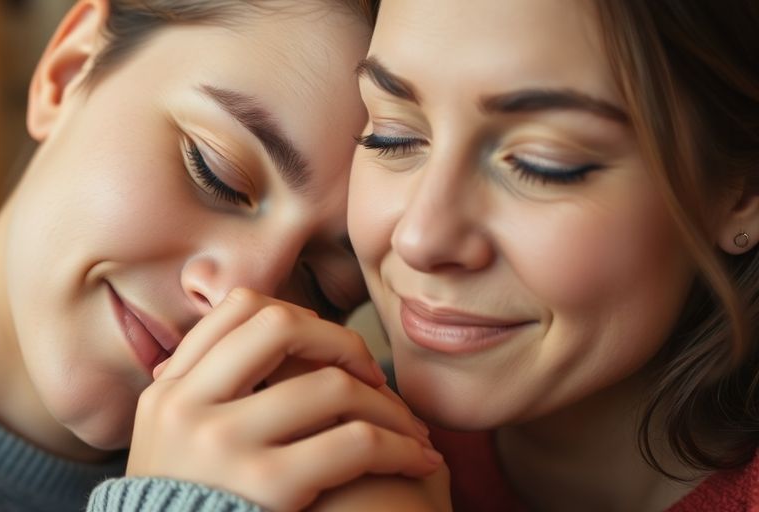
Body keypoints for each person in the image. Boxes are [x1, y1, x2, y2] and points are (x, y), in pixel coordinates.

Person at [0, 1, 439, 510]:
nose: (240, 300)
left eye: (322, 282)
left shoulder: (354, 456)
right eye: (214, 172)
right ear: (68, 70)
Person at [89, 0, 759, 510]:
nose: (419, 237)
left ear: (743, 191)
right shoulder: (276, 456)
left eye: (541, 163)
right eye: (391, 136)